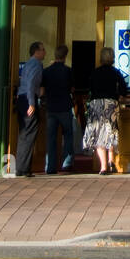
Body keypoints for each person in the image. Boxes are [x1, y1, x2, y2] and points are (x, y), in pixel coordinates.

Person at [83, 47, 127, 174]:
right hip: (111, 104)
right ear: (112, 58)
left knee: (98, 134)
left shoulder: (95, 73)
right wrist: (118, 96)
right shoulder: (115, 72)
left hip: (96, 103)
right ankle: (111, 160)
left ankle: (103, 167)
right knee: (111, 132)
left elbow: (89, 88)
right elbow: (123, 89)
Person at [42, 43, 75, 174]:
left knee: (51, 137)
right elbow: (72, 88)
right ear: (65, 56)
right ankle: (67, 163)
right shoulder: (68, 71)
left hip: (51, 108)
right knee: (68, 135)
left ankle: (50, 167)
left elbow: (42, 90)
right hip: (65, 106)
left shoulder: (47, 71)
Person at [16, 41, 45, 177]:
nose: (44, 52)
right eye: (42, 50)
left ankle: (20, 167)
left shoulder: (28, 64)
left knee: (23, 134)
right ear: (36, 52)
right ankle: (24, 168)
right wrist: (32, 103)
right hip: (28, 99)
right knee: (29, 133)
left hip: (21, 99)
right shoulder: (36, 64)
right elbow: (32, 83)